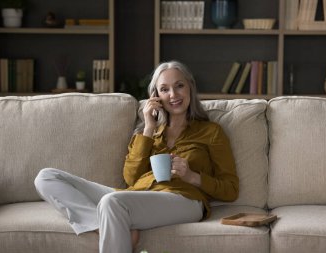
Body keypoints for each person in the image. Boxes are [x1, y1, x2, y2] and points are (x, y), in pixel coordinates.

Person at [34, 60, 239, 253]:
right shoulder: (147, 132)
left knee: (111, 202)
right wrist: (149, 127)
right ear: (156, 96)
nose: (173, 94)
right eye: (164, 89)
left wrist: (192, 176)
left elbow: (231, 190)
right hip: (137, 195)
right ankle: (105, 227)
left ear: (190, 88)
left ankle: (114, 223)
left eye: (179, 86)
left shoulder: (211, 131)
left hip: (184, 199)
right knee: (46, 177)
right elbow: (131, 179)